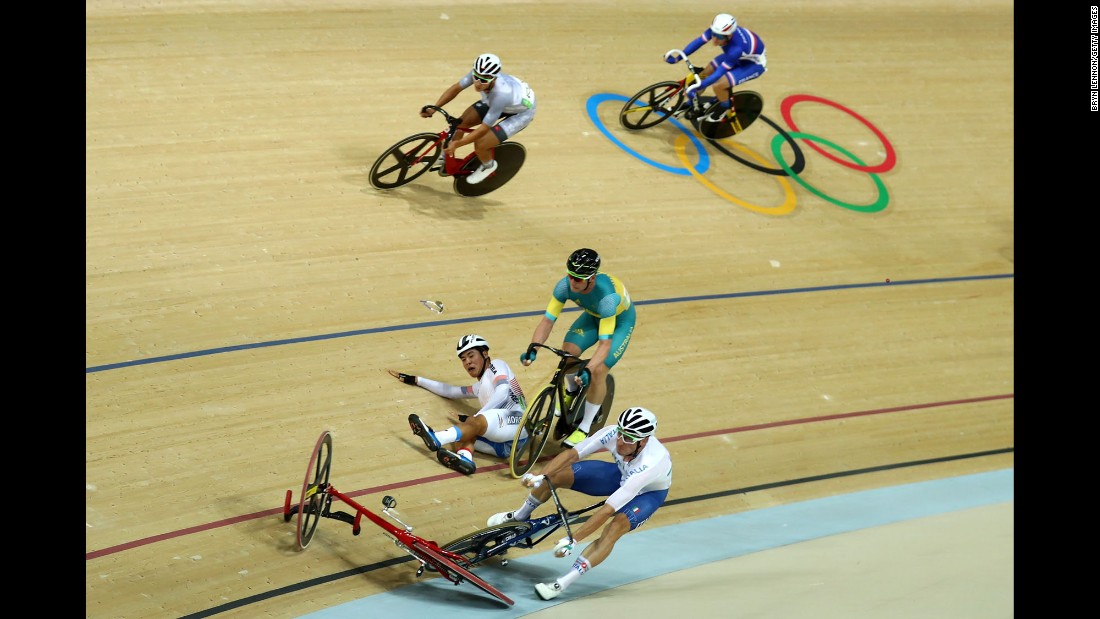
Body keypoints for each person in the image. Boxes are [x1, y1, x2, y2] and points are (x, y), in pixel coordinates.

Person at [487, 406, 672, 601]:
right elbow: (572, 454)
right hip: (621, 475)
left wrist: (572, 540)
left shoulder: (651, 463)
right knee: (556, 475)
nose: (620, 441)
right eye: (620, 433)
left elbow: (607, 510)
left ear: (643, 441)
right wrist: (541, 476)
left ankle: (562, 583)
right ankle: (519, 517)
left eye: (628, 438)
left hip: (647, 493)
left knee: (615, 527)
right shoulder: (613, 433)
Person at [520, 248, 636, 448]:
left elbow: (605, 344)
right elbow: (547, 321)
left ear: (591, 279)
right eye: (571, 276)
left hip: (618, 323)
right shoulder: (564, 286)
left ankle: (584, 427)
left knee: (599, 370)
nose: (573, 282)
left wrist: (588, 369)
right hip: (594, 315)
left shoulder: (607, 299)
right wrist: (534, 348)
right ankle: (572, 391)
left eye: (579, 279)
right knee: (568, 351)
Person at [391, 334, 528, 475]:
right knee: (461, 431)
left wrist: (476, 417)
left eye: (471, 355)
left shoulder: (496, 365)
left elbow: (503, 391)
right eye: (463, 359)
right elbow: (450, 391)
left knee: (472, 423)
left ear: (485, 353)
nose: (467, 362)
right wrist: (417, 380)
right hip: (502, 445)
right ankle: (466, 458)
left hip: (519, 424)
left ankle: (438, 438)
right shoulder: (478, 387)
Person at [421, 52, 536, 185]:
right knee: (459, 124)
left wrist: (458, 143)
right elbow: (456, 88)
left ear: (493, 78)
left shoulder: (501, 94)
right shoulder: (480, 73)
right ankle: (445, 157)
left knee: (481, 143)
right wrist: (434, 108)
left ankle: (489, 165)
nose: (478, 83)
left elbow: (483, 129)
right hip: (498, 102)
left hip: (521, 113)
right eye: (476, 77)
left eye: (484, 80)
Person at [664, 13, 766, 123]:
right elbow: (699, 42)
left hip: (752, 65)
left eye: (720, 37)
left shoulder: (735, 49)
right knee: (704, 73)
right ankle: (691, 103)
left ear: (729, 36)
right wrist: (678, 57)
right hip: (738, 56)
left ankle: (725, 107)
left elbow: (718, 74)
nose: (715, 39)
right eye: (713, 34)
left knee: (719, 85)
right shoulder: (718, 30)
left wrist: (698, 86)